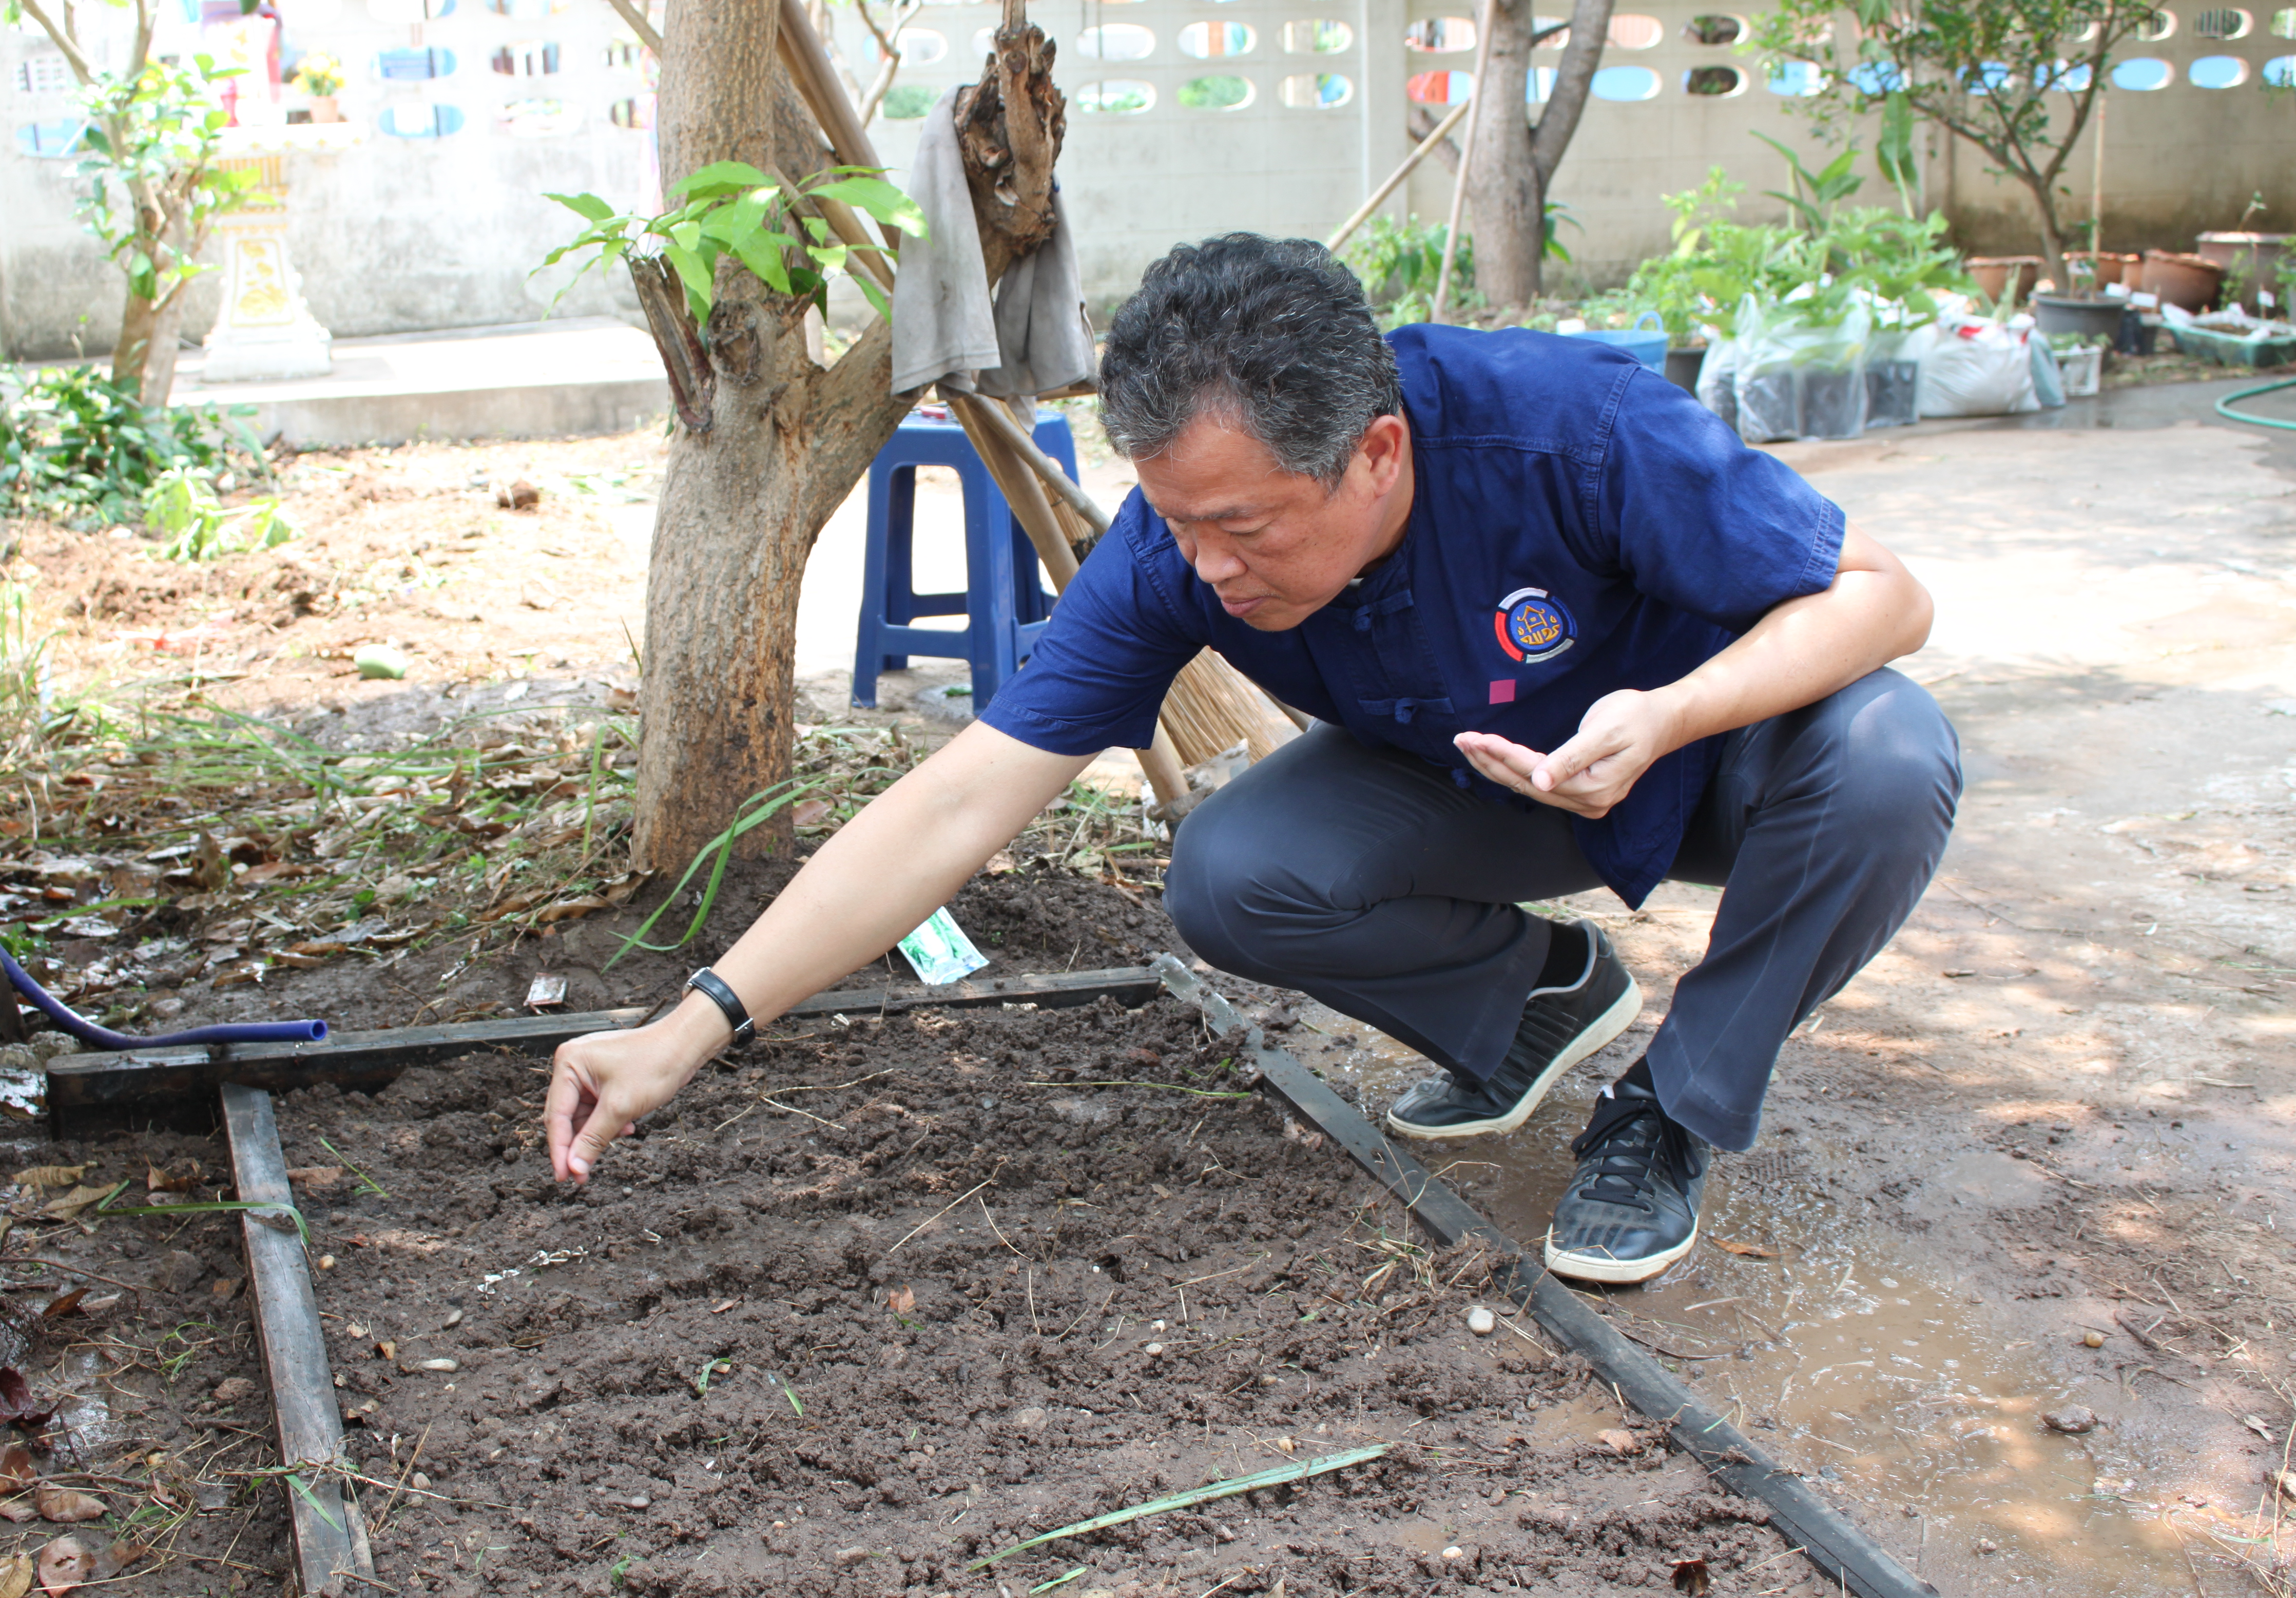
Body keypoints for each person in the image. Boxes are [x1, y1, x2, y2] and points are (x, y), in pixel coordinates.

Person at [547, 233, 1961, 1285]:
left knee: (1894, 755)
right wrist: (691, 1028)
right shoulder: (1177, 550)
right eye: (1182, 523)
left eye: (1248, 526)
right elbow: (960, 796)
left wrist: (1674, 714)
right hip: (1490, 785)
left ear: (1380, 455)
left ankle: (1669, 1108)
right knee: (1234, 873)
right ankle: (1535, 1004)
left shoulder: (1569, 429)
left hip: (1710, 761)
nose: (1208, 570)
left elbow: (1886, 597)